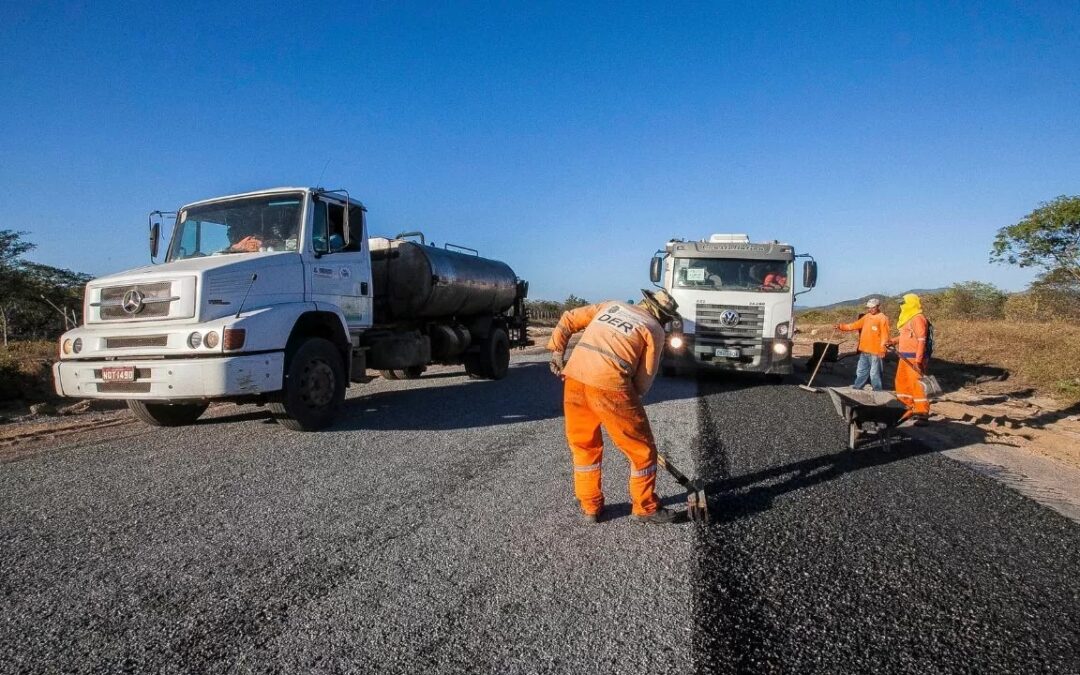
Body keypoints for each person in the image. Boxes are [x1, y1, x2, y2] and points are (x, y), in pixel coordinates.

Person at [547, 289, 681, 524]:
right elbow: (643, 380)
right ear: (662, 315)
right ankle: (645, 507)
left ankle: (590, 507)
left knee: (584, 445)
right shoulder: (654, 328)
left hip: (575, 377)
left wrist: (558, 353)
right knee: (642, 451)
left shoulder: (611, 306)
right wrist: (627, 406)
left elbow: (568, 318)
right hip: (610, 385)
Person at [887, 293, 931, 422]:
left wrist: (918, 361)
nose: (901, 306)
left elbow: (922, 340)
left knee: (917, 385)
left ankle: (922, 413)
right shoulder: (907, 318)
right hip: (904, 357)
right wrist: (893, 341)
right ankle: (908, 407)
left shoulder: (918, 318)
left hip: (913, 358)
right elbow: (905, 336)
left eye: (903, 303)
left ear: (911, 303)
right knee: (902, 383)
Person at [835, 298, 890, 390]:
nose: (870, 309)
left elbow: (885, 336)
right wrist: (841, 326)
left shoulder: (882, 318)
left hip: (875, 352)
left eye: (872, 307)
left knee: (874, 373)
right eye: (869, 308)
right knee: (861, 371)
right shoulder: (867, 317)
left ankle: (878, 391)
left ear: (877, 307)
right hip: (864, 350)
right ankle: (857, 387)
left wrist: (882, 350)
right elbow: (854, 325)